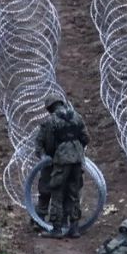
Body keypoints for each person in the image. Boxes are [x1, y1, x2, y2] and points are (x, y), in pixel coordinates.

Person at [33, 94, 90, 238]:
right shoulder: (76, 117)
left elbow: (48, 143)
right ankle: (74, 228)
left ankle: (56, 229)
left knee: (57, 191)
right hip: (77, 160)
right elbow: (86, 138)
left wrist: (53, 155)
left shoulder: (51, 121)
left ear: (50, 107)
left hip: (61, 160)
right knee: (73, 192)